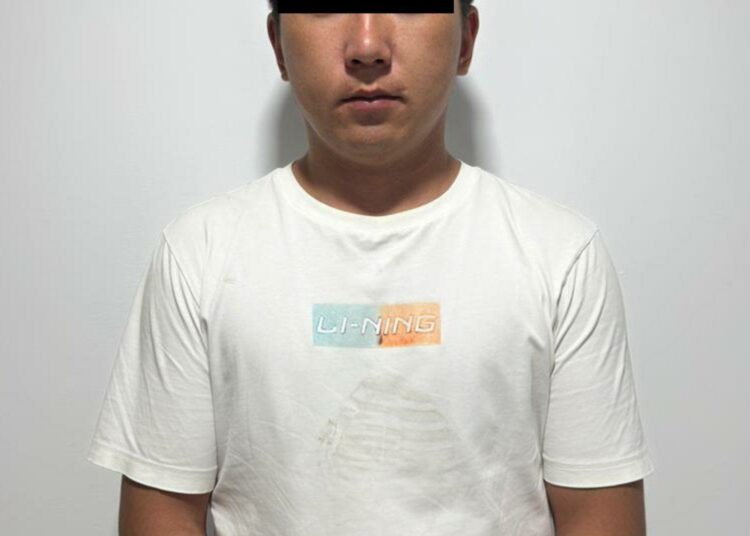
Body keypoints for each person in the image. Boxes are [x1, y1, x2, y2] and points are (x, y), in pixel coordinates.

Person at [86, 1, 656, 534]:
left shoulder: (560, 255)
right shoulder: (199, 254)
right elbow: (162, 515)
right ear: (279, 47)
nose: (366, 46)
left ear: (465, 40)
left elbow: (597, 517)